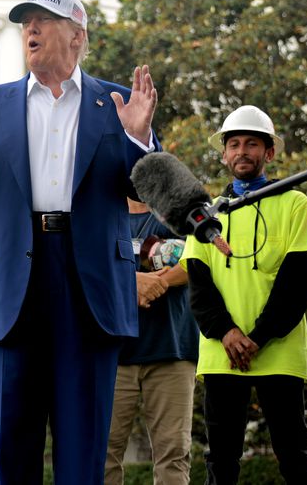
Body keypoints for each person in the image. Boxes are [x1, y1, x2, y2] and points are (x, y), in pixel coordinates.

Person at [0, 0, 158, 484]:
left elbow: (142, 188)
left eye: (43, 20)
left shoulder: (118, 102)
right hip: (10, 282)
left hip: (89, 283)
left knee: (83, 450)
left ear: (77, 35)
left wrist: (138, 138)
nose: (31, 30)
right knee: (8, 452)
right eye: (26, 22)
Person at [181, 105, 307, 485]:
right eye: (234, 144)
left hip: (279, 351)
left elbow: (298, 282)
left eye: (252, 144)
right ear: (224, 155)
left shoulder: (295, 203)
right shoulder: (204, 215)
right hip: (221, 352)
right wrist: (227, 333)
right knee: (221, 461)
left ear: (269, 152)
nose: (242, 151)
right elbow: (199, 287)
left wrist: (257, 337)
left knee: (294, 456)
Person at [105, 198, 199, 485]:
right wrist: (131, 283)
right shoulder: (101, 214)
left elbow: (201, 260)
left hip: (172, 351)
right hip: (112, 355)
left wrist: (159, 282)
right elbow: (83, 264)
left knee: (174, 454)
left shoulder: (180, 213)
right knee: (103, 455)